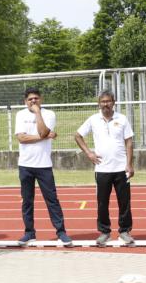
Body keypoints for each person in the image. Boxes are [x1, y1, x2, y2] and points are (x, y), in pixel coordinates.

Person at [75, 90, 136, 247]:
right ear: (99, 103)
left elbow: (129, 142)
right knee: (102, 202)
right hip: (102, 169)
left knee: (124, 202)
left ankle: (124, 231)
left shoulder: (122, 119)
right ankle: (104, 232)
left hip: (121, 168)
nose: (106, 104)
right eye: (103, 102)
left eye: (108, 101)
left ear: (113, 102)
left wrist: (129, 164)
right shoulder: (93, 119)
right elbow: (78, 136)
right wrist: (89, 153)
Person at [14, 87, 72, 247]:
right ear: (25, 101)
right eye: (30, 99)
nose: (33, 101)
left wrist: (38, 113)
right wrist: (44, 136)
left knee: (52, 200)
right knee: (27, 201)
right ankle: (29, 233)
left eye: (36, 98)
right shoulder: (20, 114)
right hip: (25, 165)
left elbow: (44, 131)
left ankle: (61, 232)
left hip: (44, 165)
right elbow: (22, 138)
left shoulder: (49, 114)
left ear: (41, 99)